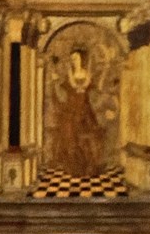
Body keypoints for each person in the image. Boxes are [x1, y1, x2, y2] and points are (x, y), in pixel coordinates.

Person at [42, 44, 110, 182]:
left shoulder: (87, 74)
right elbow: (63, 91)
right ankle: (76, 168)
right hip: (71, 110)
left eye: (76, 58)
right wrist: (54, 81)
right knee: (71, 139)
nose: (74, 61)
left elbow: (97, 89)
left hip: (85, 110)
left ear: (81, 58)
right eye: (72, 58)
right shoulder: (69, 75)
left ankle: (88, 168)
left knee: (88, 139)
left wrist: (106, 67)